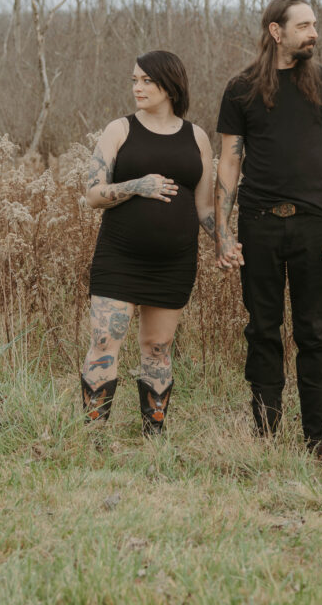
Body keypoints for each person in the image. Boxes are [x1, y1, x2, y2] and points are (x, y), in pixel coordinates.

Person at [215, 0, 322, 458]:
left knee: (313, 333)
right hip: (259, 226)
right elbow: (228, 167)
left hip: (315, 227)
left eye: (315, 24)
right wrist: (223, 230)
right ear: (277, 32)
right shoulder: (241, 89)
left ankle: (320, 439)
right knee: (262, 330)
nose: (314, 33)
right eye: (304, 26)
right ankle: (266, 435)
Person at [81, 50, 218, 436]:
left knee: (158, 347)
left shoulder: (198, 137)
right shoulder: (119, 130)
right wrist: (137, 186)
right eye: (134, 81)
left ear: (170, 85)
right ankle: (92, 437)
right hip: (120, 257)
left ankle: (153, 437)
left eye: (146, 81)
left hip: (173, 263)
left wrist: (225, 242)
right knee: (105, 339)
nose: (137, 88)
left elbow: (205, 206)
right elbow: (92, 194)